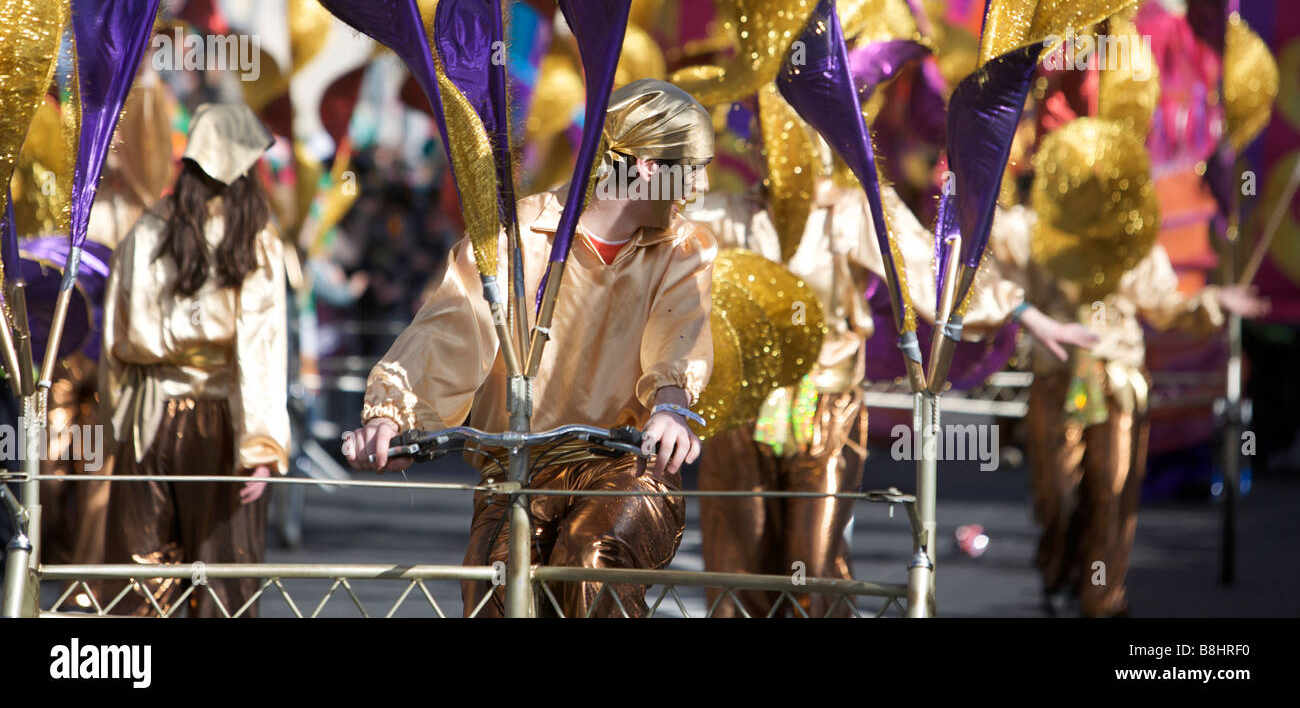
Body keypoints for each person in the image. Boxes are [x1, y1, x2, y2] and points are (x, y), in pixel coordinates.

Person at [345, 79, 717, 618]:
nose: (701, 184)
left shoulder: (686, 247)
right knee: (495, 592)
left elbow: (680, 331)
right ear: (646, 168)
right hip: (516, 469)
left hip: (624, 464)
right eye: (693, 166)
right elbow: (451, 327)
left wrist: (671, 406)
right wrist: (391, 416)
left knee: (591, 558)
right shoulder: (516, 237)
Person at [687, 152, 1098, 617]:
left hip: (825, 410)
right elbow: (653, 244)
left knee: (815, 567)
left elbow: (932, 271)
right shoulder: (729, 212)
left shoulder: (855, 209)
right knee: (734, 572)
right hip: (744, 413)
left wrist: (1024, 311)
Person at [988, 202, 1268, 616]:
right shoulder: (1031, 229)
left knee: (1112, 491)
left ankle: (1100, 596)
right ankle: (1059, 574)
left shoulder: (1133, 234)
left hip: (1120, 382)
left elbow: (1164, 304)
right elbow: (988, 259)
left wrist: (1215, 300)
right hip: (1057, 380)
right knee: (1057, 495)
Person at [101, 103, 290, 618]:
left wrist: (117, 422)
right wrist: (262, 446)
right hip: (222, 421)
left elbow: (114, 344)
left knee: (138, 581)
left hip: (148, 416)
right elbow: (260, 348)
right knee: (224, 580)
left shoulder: (145, 231)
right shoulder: (255, 239)